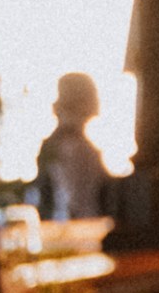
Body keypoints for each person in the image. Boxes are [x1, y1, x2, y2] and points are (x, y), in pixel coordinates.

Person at [33, 72, 117, 225]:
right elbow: (77, 204)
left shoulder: (62, 142)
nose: (98, 100)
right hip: (78, 233)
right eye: (93, 94)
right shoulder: (72, 146)